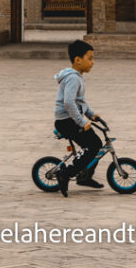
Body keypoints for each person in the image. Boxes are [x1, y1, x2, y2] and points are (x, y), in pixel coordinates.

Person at [53, 39, 104, 196]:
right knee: (92, 146)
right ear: (78, 60)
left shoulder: (77, 77)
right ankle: (66, 174)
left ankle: (85, 176)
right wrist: (82, 122)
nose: (93, 62)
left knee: (96, 144)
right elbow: (68, 103)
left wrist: (91, 114)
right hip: (66, 121)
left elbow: (80, 102)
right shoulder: (73, 78)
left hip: (71, 120)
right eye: (90, 58)